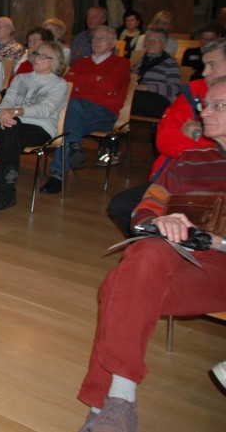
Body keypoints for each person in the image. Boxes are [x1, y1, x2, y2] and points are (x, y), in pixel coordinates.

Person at [75, 77, 226, 432]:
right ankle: (120, 402)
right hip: (176, 255)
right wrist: (161, 221)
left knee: (118, 288)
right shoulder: (190, 159)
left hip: (220, 265)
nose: (204, 111)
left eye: (218, 105)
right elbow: (148, 204)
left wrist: (216, 241)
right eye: (206, 104)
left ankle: (107, 407)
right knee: (145, 252)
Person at [106, 39, 226, 235]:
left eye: (212, 65)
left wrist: (196, 133)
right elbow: (164, 139)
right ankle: (155, 249)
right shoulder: (194, 90)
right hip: (176, 176)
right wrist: (207, 141)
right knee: (122, 206)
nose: (204, 73)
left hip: (212, 184)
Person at [41, 26, 130, 194]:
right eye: (94, 38)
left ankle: (59, 172)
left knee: (70, 114)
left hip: (103, 112)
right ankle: (71, 151)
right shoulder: (81, 62)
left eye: (101, 38)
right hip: (75, 108)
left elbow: (108, 85)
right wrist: (95, 81)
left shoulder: (122, 64)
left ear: (112, 43)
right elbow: (66, 85)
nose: (96, 42)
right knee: (72, 109)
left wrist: (81, 83)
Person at [0, 41, 70, 211]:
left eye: (43, 56)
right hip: (10, 123)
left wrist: (15, 112)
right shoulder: (20, 78)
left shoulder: (59, 83)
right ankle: (8, 180)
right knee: (10, 128)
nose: (37, 58)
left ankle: (7, 187)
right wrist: (3, 112)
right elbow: (8, 99)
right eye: (36, 54)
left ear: (54, 61)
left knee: (8, 135)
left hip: (40, 128)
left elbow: (45, 109)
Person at [130, 28, 181, 118]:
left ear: (164, 45)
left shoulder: (170, 63)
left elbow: (174, 88)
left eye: (155, 40)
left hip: (157, 99)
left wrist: (147, 87)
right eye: (147, 40)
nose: (150, 43)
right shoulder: (139, 62)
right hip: (137, 97)